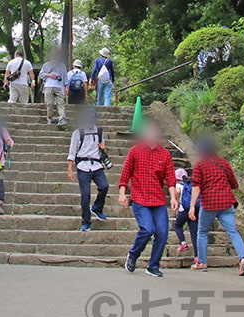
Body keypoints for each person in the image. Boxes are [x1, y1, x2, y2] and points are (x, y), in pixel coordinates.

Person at [118, 118, 178, 278]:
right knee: (147, 229)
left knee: (163, 232)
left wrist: (173, 198)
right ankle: (133, 255)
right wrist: (122, 193)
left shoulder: (164, 154)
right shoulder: (135, 151)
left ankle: (153, 265)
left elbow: (171, 178)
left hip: (158, 200)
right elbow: (125, 174)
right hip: (140, 198)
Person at [189, 137, 244, 276]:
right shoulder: (224, 164)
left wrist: (192, 206)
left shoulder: (200, 165)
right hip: (226, 203)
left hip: (209, 203)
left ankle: (202, 262)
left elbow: (196, 186)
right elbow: (234, 185)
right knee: (233, 232)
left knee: (202, 232)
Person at [67, 108, 108, 232]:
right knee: (85, 195)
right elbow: (72, 151)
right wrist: (70, 169)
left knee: (104, 186)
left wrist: (103, 148)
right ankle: (86, 221)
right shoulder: (78, 132)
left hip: (96, 165)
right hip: (83, 166)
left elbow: (102, 149)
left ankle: (97, 208)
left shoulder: (99, 132)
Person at [173, 168, 199, 259]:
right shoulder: (189, 185)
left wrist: (176, 200)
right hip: (193, 210)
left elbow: (178, 192)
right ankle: (197, 257)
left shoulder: (178, 185)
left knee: (177, 225)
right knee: (194, 233)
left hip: (183, 210)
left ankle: (183, 243)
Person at [39, 49, 68, 126]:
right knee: (49, 103)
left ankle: (62, 118)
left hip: (59, 86)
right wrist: (49, 75)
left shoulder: (62, 65)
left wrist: (66, 87)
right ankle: (49, 118)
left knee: (61, 103)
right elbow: (41, 74)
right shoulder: (46, 65)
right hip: (48, 85)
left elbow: (65, 77)